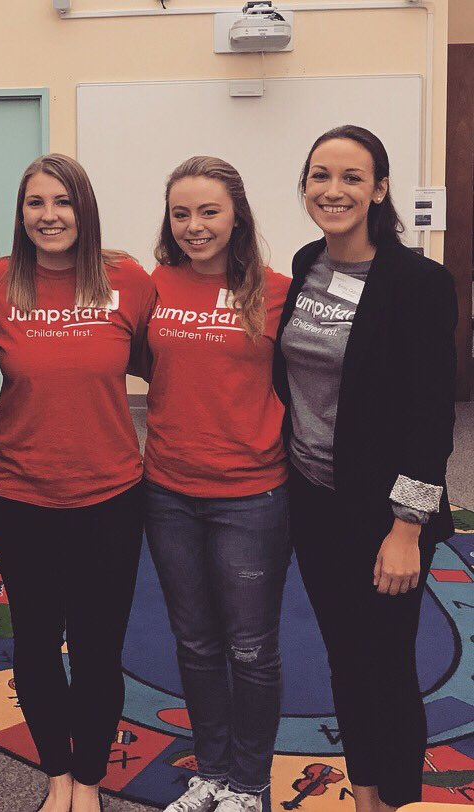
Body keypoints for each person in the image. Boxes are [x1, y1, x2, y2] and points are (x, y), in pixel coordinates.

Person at [275, 125, 457, 812]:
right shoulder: (304, 264)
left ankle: (402, 800)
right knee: (346, 662)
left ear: (379, 188)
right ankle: (368, 796)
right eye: (320, 175)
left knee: (386, 668)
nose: (333, 190)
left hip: (385, 515)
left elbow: (430, 415)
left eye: (352, 177)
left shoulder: (417, 282)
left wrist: (407, 526)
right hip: (315, 502)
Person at [0, 154, 153, 812]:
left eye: (63, 202)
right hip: (20, 497)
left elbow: (167, 365)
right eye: (36, 204)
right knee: (35, 640)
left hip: (109, 495)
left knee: (97, 645)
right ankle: (56, 773)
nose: (49, 216)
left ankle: (88, 777)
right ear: (21, 214)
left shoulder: (128, 281)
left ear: (84, 209)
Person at [144, 156, 291, 812]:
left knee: (251, 648)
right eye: (182, 213)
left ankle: (250, 783)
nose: (195, 226)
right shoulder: (153, 286)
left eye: (209, 212)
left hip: (251, 495)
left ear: (237, 215)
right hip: (168, 488)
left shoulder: (279, 288)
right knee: (196, 642)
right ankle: (212, 770)